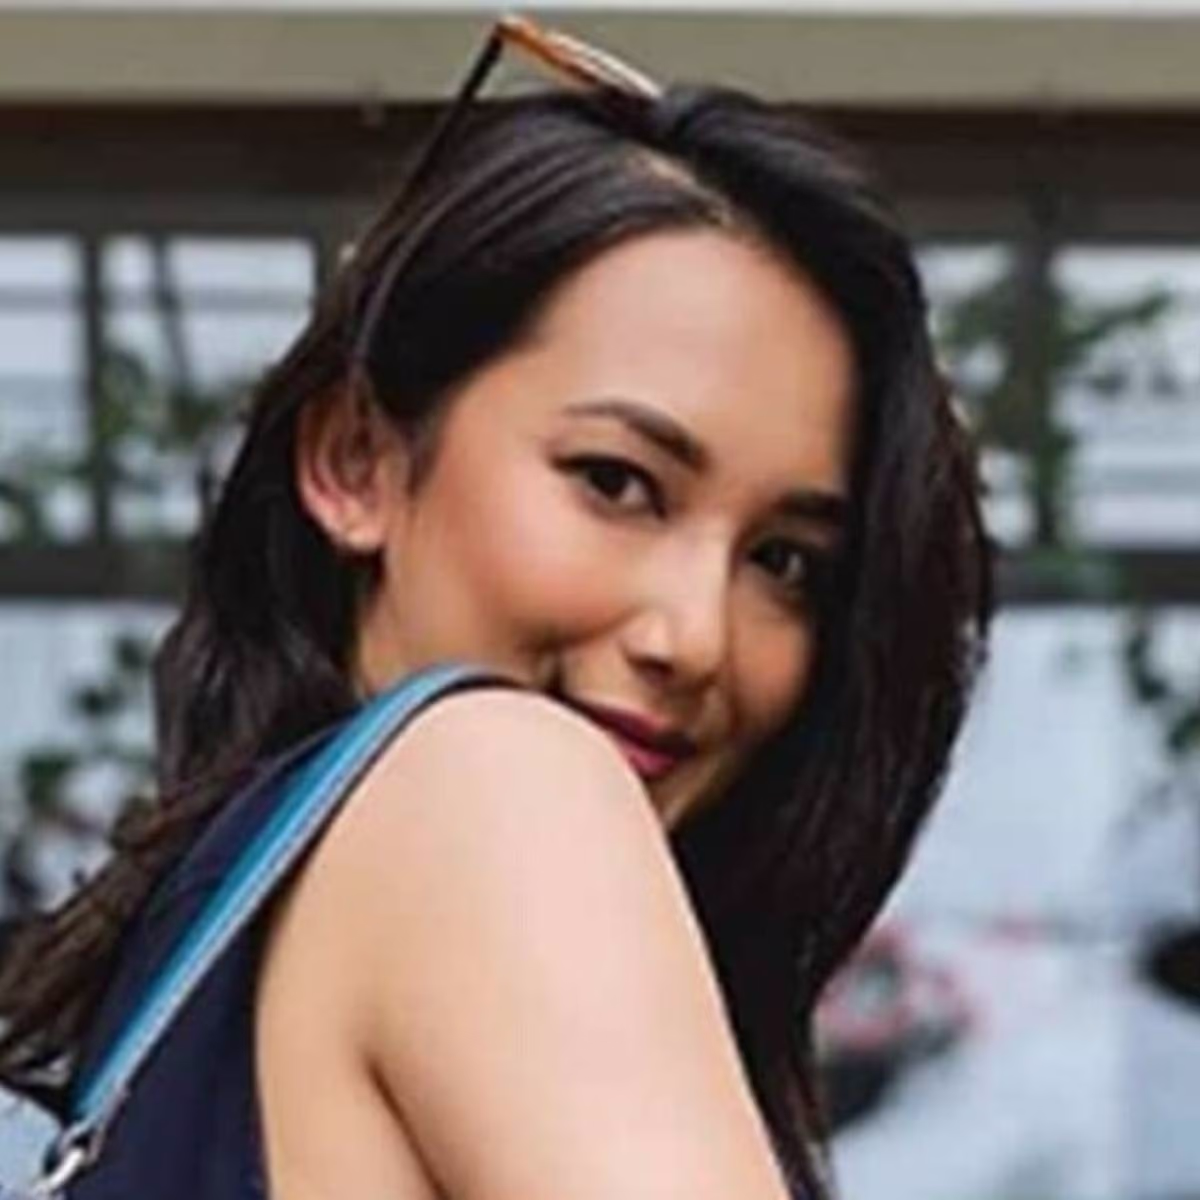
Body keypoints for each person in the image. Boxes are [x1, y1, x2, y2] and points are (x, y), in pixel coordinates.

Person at [0, 14, 991, 1200]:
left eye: (785, 562)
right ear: (357, 459)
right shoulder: (496, 778)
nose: (694, 636)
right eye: (616, 483)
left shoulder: (200, 982)